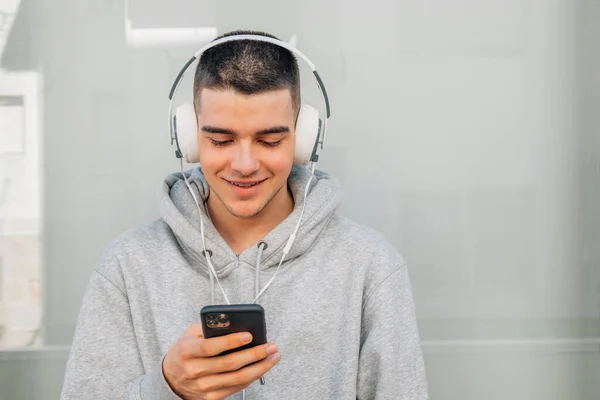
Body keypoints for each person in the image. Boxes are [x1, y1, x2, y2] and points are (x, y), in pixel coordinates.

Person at [61, 30, 429, 400]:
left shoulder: (369, 266)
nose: (245, 164)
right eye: (220, 141)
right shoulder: (128, 266)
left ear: (304, 139)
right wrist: (166, 387)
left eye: (270, 141)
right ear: (187, 139)